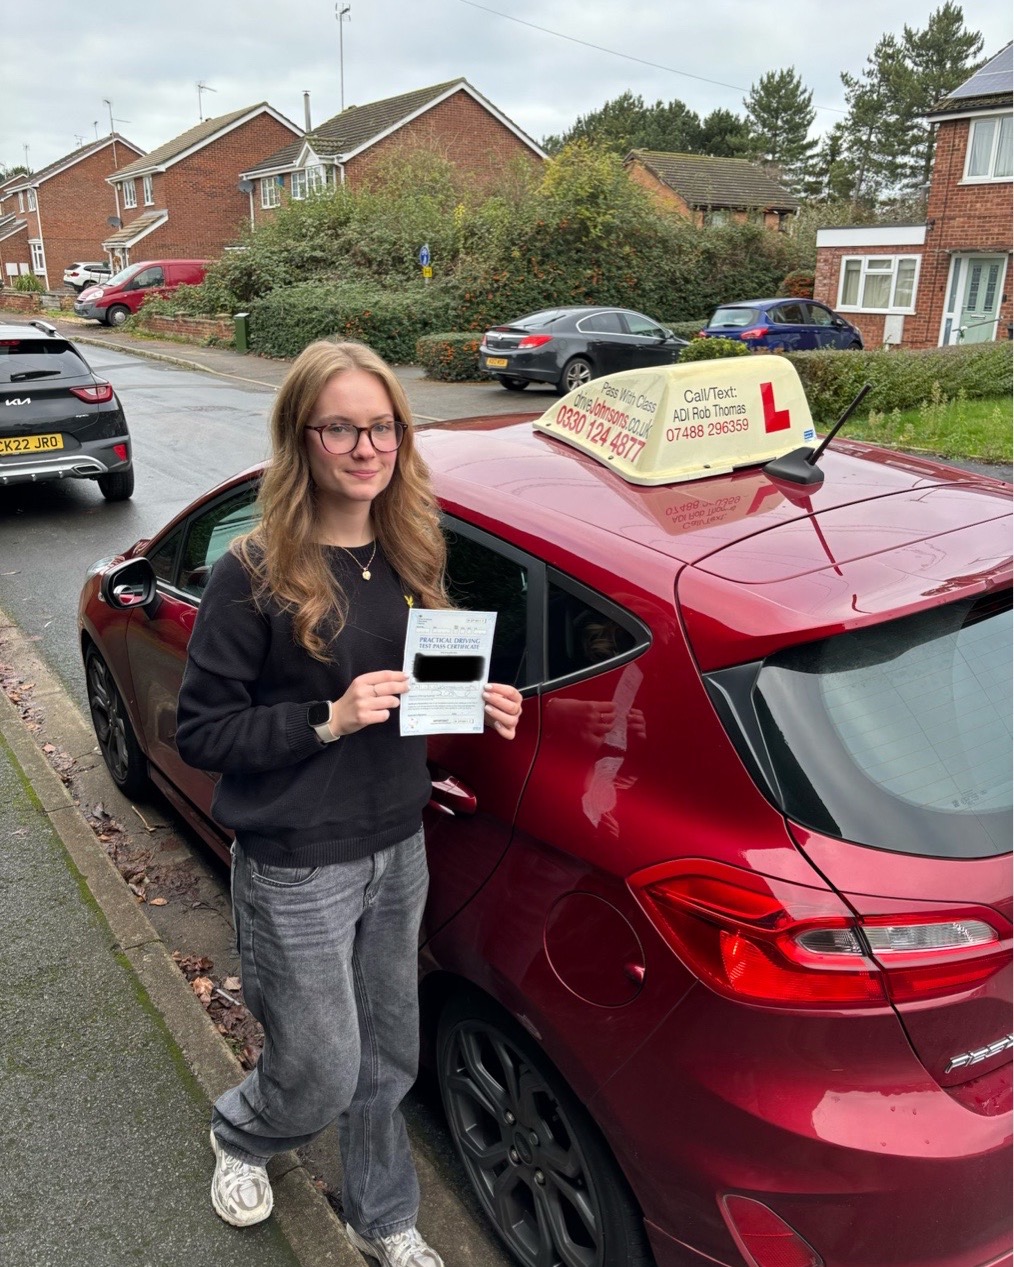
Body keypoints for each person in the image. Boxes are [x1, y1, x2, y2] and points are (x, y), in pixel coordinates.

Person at [175, 339, 523, 1267]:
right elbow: (200, 733)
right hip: (294, 860)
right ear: (302, 436)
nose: (367, 447)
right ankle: (245, 1132)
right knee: (323, 1064)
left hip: (395, 842)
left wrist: (475, 701)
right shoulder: (248, 570)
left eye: (383, 426)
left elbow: (418, 693)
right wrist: (324, 720)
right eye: (342, 427)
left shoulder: (411, 551)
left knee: (388, 1056)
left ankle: (382, 1216)